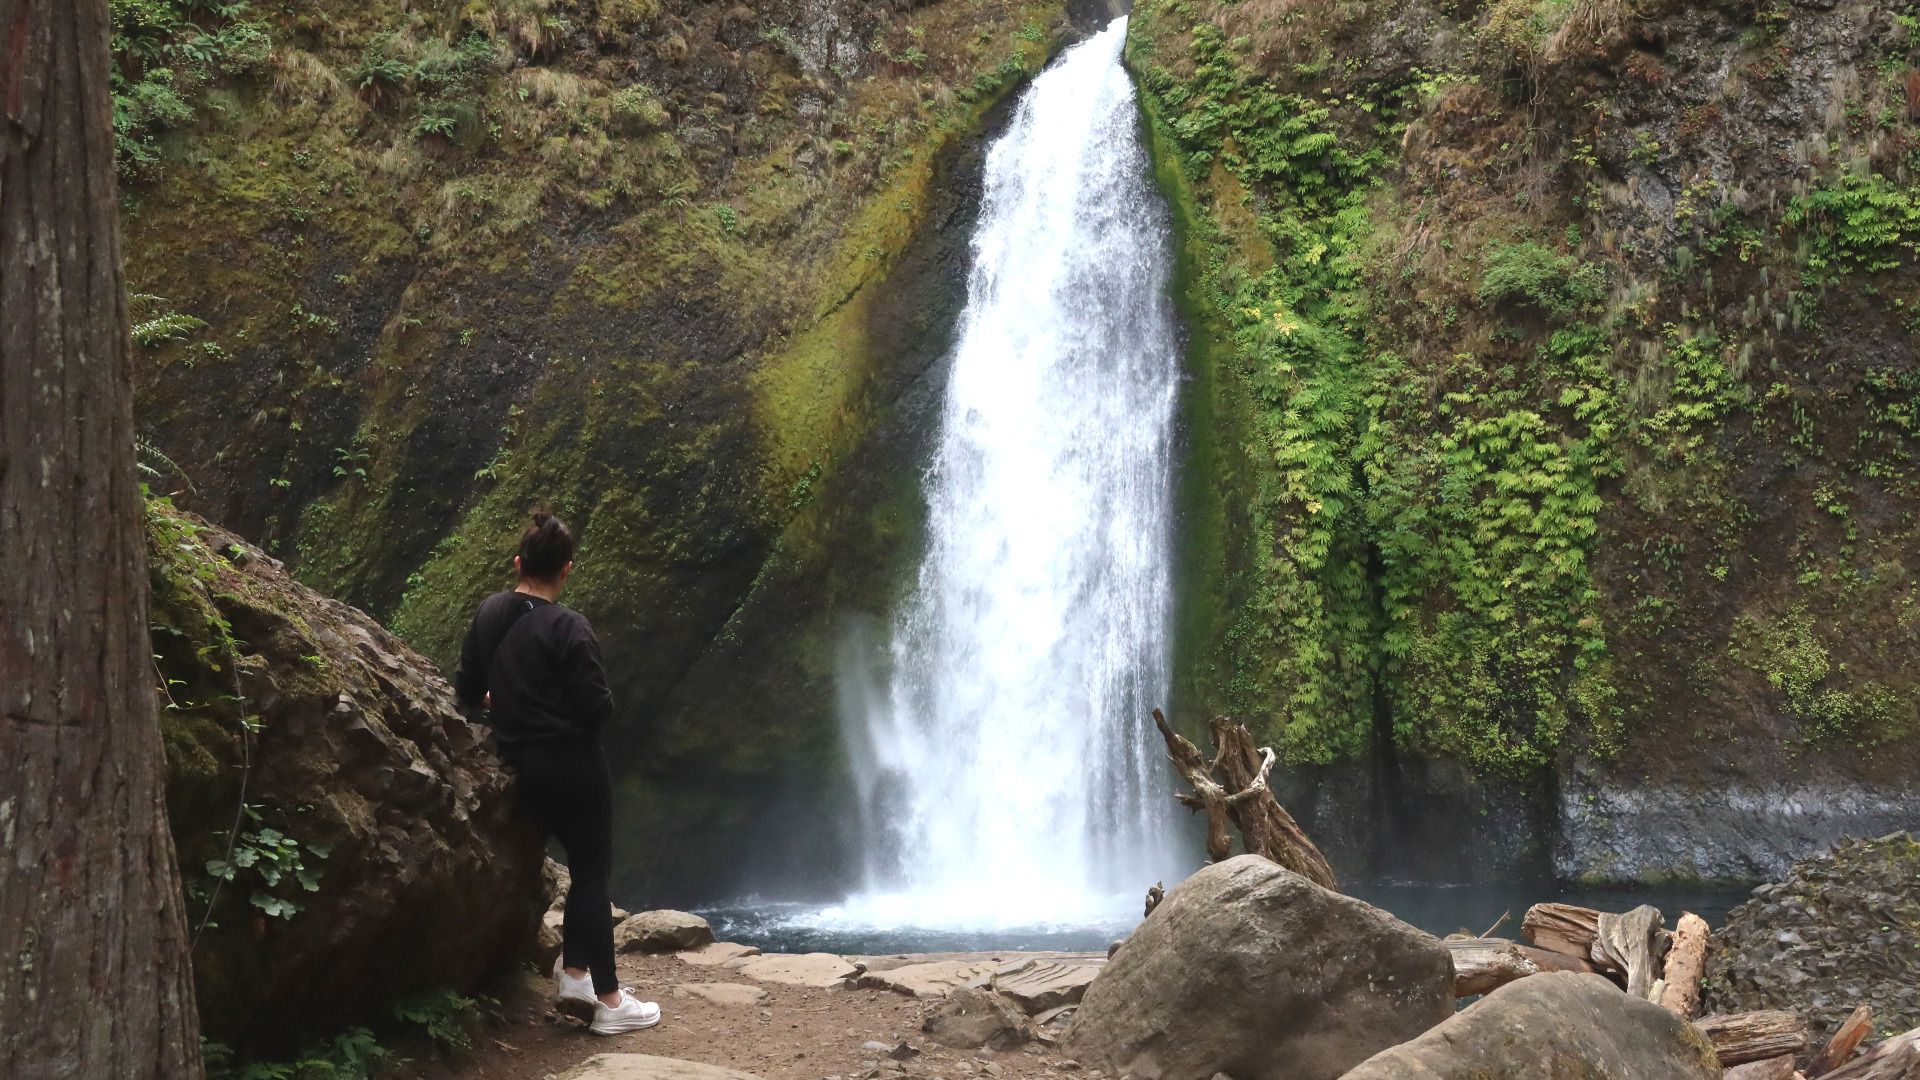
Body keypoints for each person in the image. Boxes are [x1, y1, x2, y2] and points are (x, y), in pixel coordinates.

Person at [454, 511, 660, 1035]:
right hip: (572, 763)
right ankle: (610, 1002)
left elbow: (466, 690)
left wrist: (503, 702)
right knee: (590, 870)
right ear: (566, 570)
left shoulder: (489, 612)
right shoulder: (568, 625)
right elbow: (596, 710)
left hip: (516, 761)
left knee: (583, 869)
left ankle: (574, 978)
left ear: (519, 563)